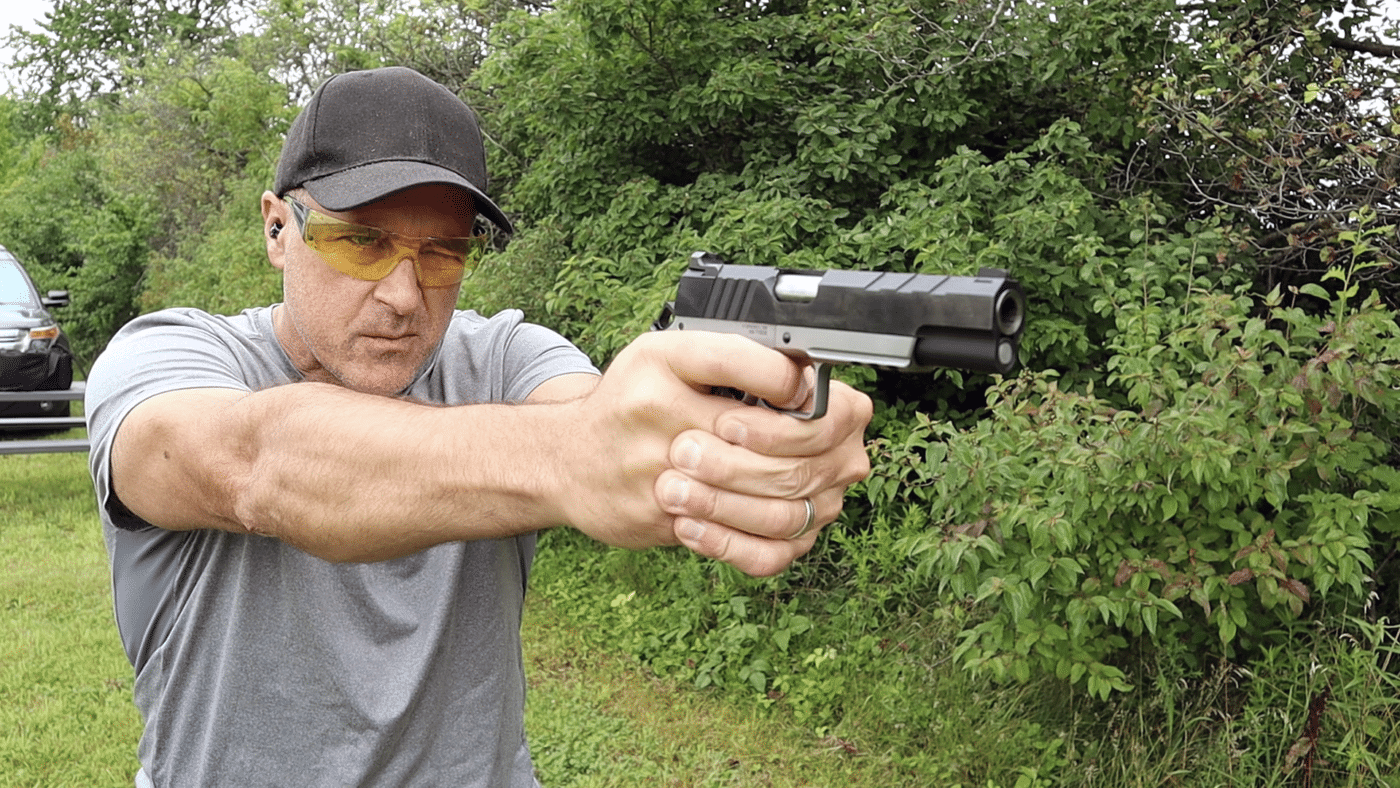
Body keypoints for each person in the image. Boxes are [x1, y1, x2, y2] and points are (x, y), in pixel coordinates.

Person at [86, 66, 872, 787]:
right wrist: (572, 456)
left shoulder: (505, 354)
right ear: (276, 228)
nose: (403, 294)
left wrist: (740, 442)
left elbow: (616, 430)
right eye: (362, 241)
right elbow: (260, 463)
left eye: (442, 254)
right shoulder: (168, 355)